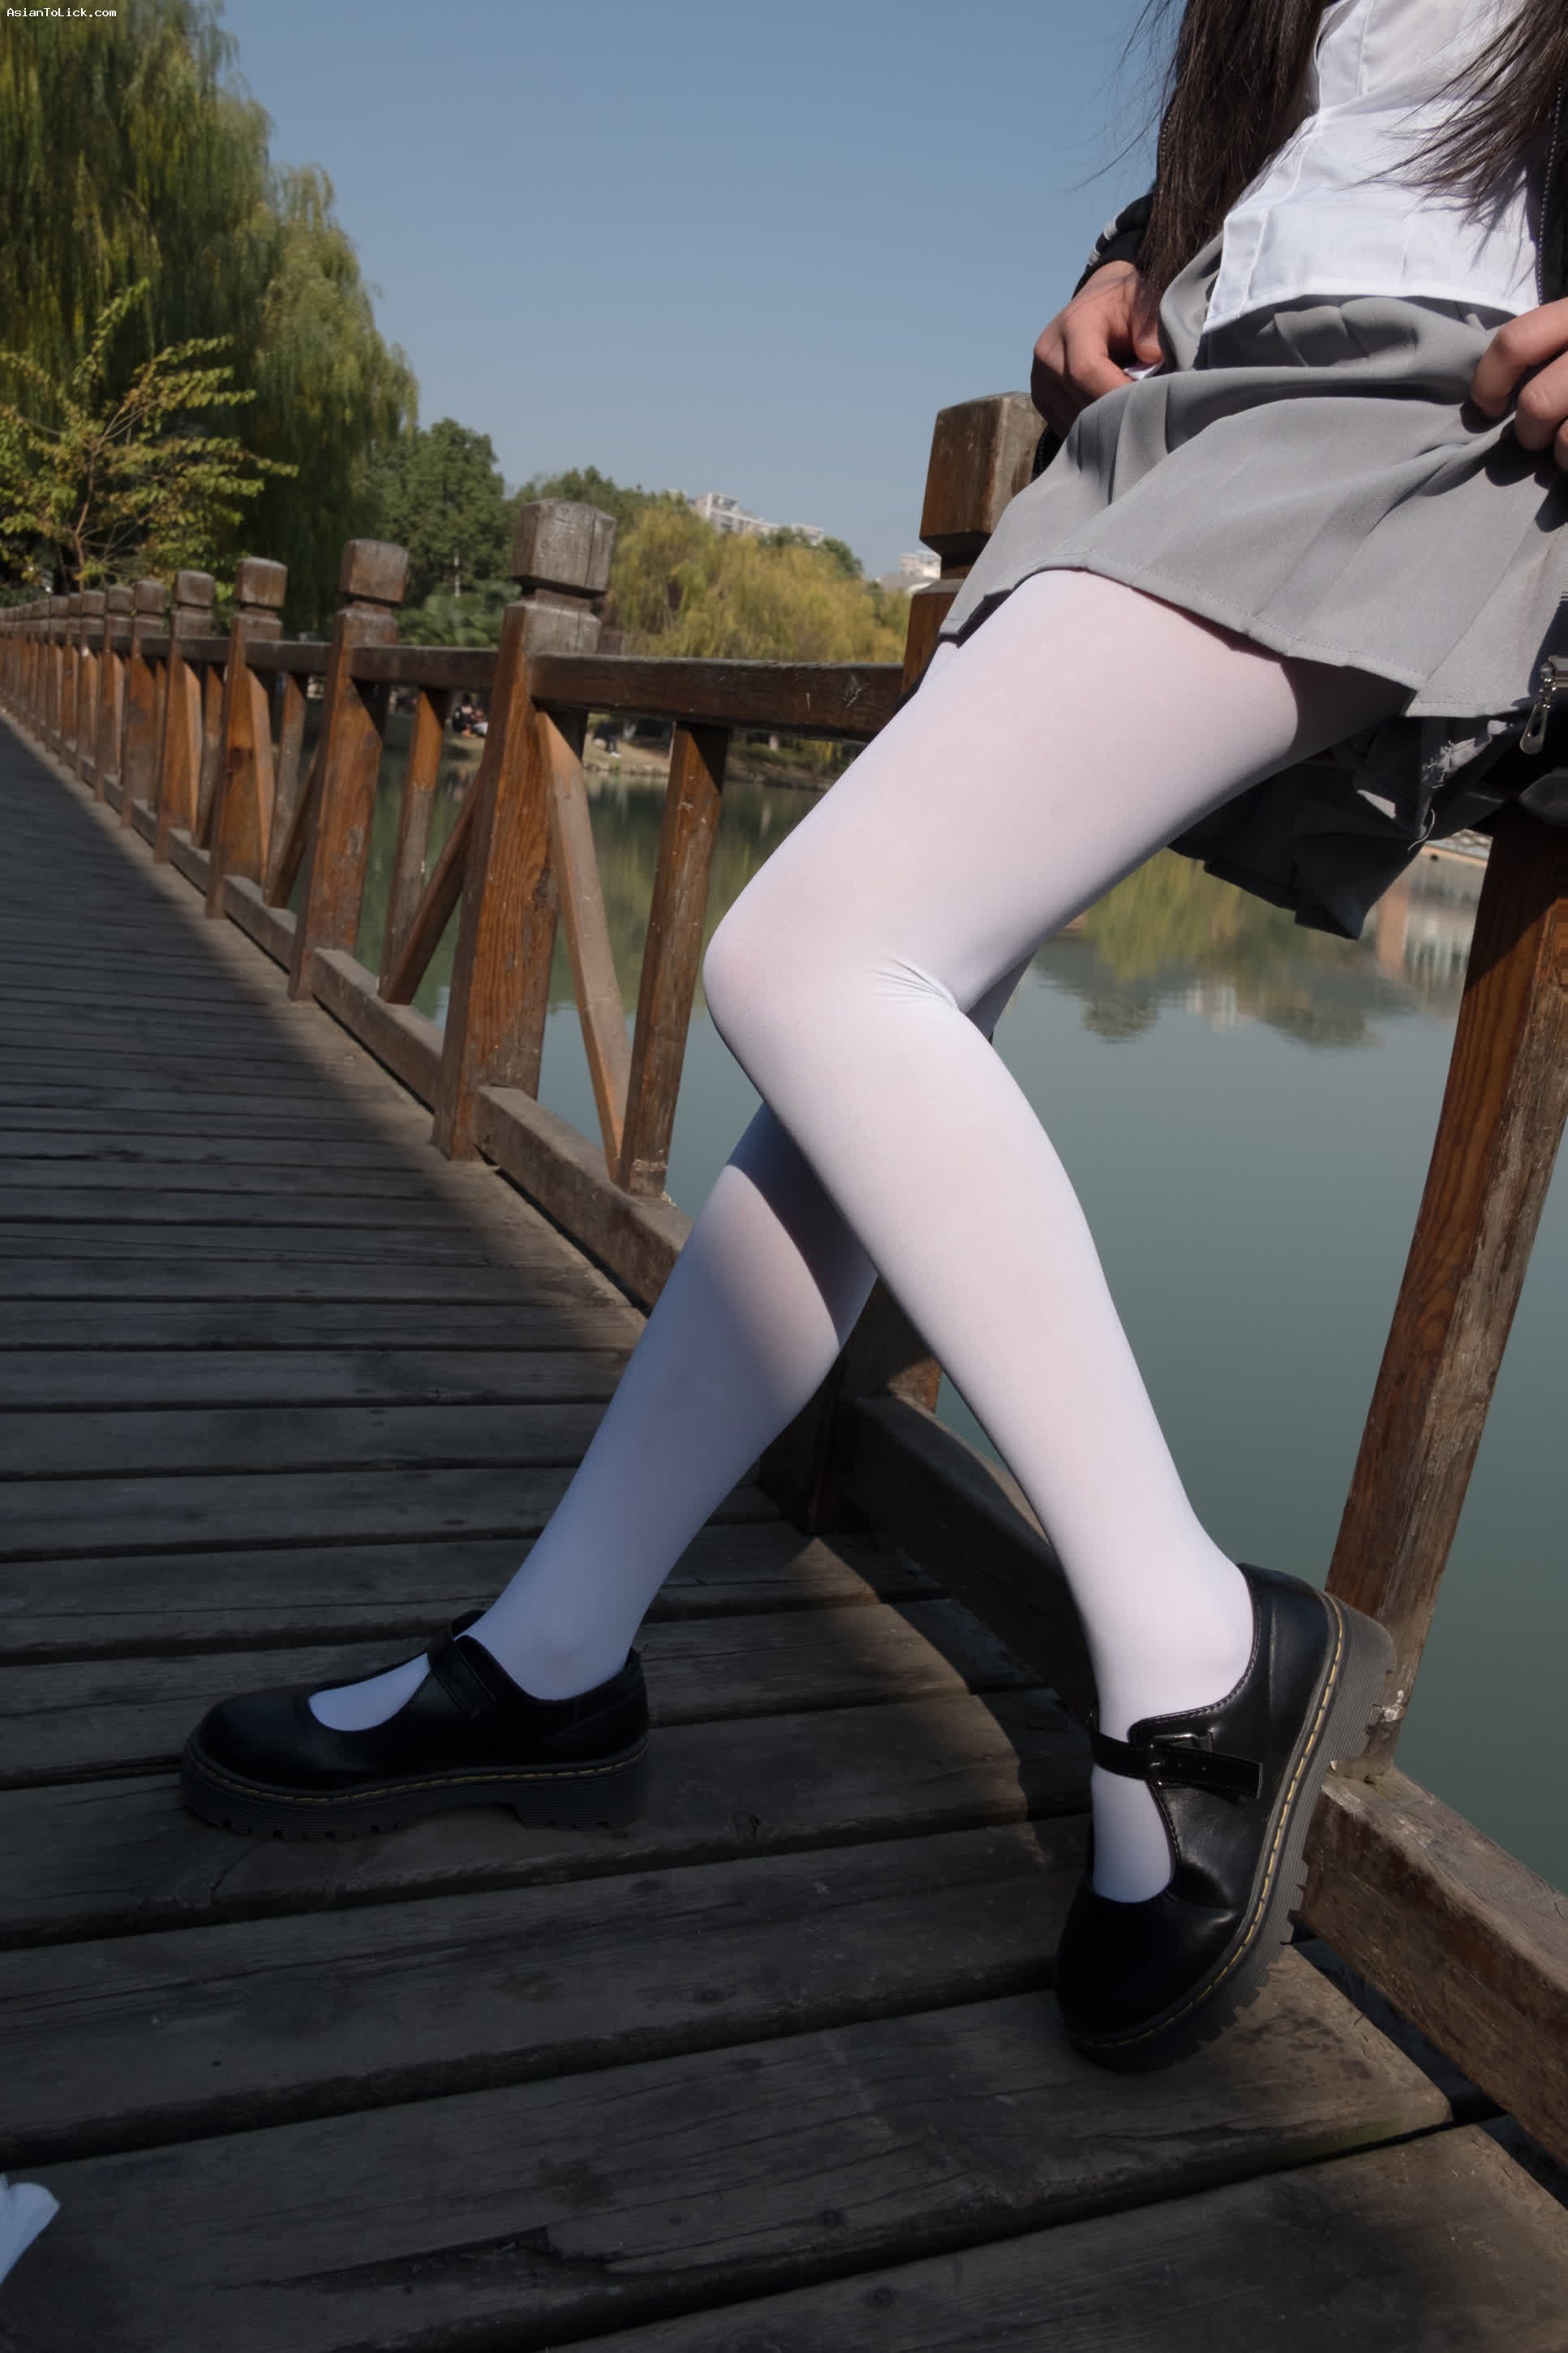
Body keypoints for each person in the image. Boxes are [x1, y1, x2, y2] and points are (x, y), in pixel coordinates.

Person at [180, 0, 1568, 2073]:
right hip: (1209, 396)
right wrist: (1140, 248)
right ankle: (560, 1646)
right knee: (874, 1026)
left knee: (815, 959)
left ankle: (1191, 1640)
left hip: (1426, 398)